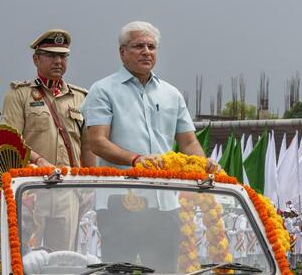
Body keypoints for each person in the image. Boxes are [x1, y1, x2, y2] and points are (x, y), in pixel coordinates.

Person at [81, 21, 219, 272]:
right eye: (138, 46)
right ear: (122, 52)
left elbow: (188, 141)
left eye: (151, 46)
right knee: (119, 270)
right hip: (120, 200)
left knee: (165, 269)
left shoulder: (171, 93)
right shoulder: (102, 90)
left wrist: (202, 163)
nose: (146, 51)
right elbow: (97, 142)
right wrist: (136, 160)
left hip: (165, 201)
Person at [1, 29, 96, 251]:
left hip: (68, 188)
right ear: (36, 59)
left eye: (63, 56)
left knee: (64, 257)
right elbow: (9, 140)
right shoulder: (20, 94)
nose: (58, 61)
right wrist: (38, 159)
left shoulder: (80, 97)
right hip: (31, 187)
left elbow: (88, 145)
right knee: (26, 257)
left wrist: (90, 183)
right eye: (51, 55)